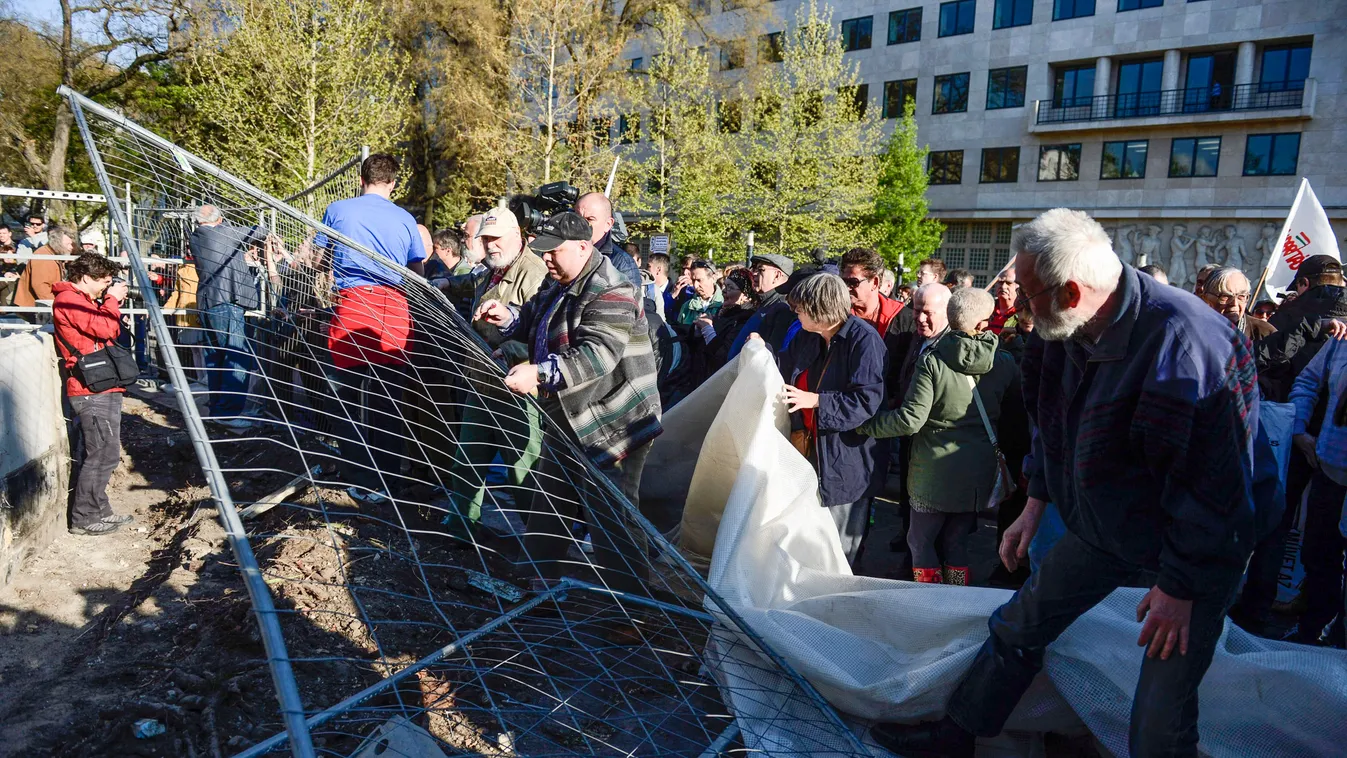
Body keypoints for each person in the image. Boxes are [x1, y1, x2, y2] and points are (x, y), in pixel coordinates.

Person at [872, 208, 1260, 758]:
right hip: (1107, 525)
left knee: (1159, 715)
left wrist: (1183, 585)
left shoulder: (1188, 344)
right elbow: (1051, 424)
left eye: (1029, 297)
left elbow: (1216, 488)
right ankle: (954, 736)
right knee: (1017, 626)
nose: (1022, 309)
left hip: (1197, 545)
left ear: (1072, 292)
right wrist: (1036, 500)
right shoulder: (1063, 326)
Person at [475, 210, 662, 612]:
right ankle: (538, 585)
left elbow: (597, 356)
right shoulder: (559, 279)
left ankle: (634, 613)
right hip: (567, 413)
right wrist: (507, 317)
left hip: (614, 420)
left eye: (553, 252)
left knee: (612, 516)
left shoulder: (613, 288)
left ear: (583, 246)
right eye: (542, 252)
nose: (546, 260)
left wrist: (539, 374)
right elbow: (534, 322)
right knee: (550, 501)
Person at [858, 288, 1018, 585]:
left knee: (921, 543)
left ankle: (929, 602)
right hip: (976, 472)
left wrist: (865, 424)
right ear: (984, 322)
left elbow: (910, 420)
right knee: (957, 544)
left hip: (932, 472)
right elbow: (1014, 416)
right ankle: (956, 599)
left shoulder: (933, 361)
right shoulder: (1005, 361)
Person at [315, 153, 426, 505]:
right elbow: (417, 273)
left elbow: (318, 259)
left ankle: (358, 476)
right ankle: (389, 480)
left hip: (353, 305)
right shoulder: (406, 219)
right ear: (393, 183)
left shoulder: (338, 209)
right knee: (389, 400)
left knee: (347, 396)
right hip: (393, 309)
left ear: (361, 179)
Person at [442, 207, 548, 530]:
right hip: (482, 382)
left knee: (523, 472)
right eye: (485, 239)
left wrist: (510, 350)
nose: (490, 246)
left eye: (496, 239)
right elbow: (467, 284)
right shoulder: (492, 270)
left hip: (516, 387)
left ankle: (541, 541)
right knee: (467, 462)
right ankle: (461, 530)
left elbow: (542, 333)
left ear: (517, 236)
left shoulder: (535, 273)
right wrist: (444, 282)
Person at [776, 273, 886, 566]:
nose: (795, 312)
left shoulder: (865, 341)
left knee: (838, 551)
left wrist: (817, 401)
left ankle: (837, 606)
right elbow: (782, 366)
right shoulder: (807, 336)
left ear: (819, 308)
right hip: (811, 456)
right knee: (810, 544)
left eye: (800, 307)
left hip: (845, 465)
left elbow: (867, 402)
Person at [52, 253, 132, 536]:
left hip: (101, 386)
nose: (106, 287)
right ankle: (84, 518)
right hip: (90, 390)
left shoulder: (82, 299)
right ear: (86, 277)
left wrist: (106, 300)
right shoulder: (69, 300)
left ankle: (100, 510)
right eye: (104, 282)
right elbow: (105, 327)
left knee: (106, 453)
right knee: (101, 454)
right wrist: (112, 301)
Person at [1288, 335, 1347, 647]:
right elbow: (1308, 381)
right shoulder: (1341, 341)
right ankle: (1311, 635)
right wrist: (1299, 428)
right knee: (1318, 554)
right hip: (1330, 471)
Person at [187, 205, 260, 428]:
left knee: (215, 358)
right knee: (236, 356)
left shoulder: (196, 236)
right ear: (220, 220)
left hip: (208, 303)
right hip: (227, 302)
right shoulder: (222, 232)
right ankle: (228, 413)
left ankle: (218, 408)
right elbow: (260, 230)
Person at [726, 252, 795, 358]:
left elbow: (771, 355)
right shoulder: (765, 303)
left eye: (761, 270)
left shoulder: (783, 307)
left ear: (777, 275)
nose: (754, 274)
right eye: (754, 269)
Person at [699, 268, 756, 378]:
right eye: (725, 286)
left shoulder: (744, 318)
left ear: (745, 295)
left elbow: (723, 355)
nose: (724, 290)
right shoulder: (722, 311)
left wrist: (707, 329)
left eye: (730, 288)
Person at [576, 192, 640, 287]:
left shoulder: (623, 264)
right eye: (577, 218)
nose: (581, 225)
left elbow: (628, 301)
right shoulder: (562, 252)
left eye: (590, 219)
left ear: (608, 224)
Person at [1200, 267, 1275, 344]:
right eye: (1225, 296)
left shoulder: (1265, 332)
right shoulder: (1193, 329)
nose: (1234, 304)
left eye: (1241, 296)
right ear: (1205, 298)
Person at [839, 248, 902, 338]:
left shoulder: (902, 318)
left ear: (875, 283)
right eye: (844, 282)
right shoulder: (835, 314)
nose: (847, 287)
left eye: (853, 282)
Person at [13, 223, 72, 311]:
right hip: (34, 306)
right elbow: (41, 287)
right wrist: (57, 305)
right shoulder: (43, 256)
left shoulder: (52, 255)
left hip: (42, 305)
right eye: (68, 244)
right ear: (58, 244)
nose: (70, 247)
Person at [675, 260, 723, 327]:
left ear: (713, 278)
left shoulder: (725, 304)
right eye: (693, 280)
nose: (695, 285)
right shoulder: (687, 307)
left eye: (699, 280)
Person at [987, 269, 1018, 335]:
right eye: (1000, 282)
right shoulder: (986, 309)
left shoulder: (1022, 313)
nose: (1003, 287)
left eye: (1009, 283)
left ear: (1018, 287)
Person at [645, 252, 675, 319]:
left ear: (658, 270)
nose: (645, 270)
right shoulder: (645, 289)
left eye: (648, 266)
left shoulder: (676, 292)